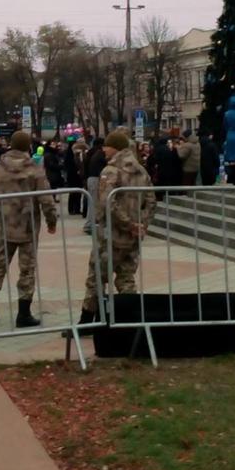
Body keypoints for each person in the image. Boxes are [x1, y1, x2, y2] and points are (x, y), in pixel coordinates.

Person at [0, 131, 57, 327]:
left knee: (0, 264)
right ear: (27, 147)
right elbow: (45, 198)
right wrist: (51, 220)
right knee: (27, 269)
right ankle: (23, 313)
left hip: (5, 226)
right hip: (28, 226)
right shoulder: (34, 169)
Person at [78, 130, 154, 325]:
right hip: (132, 237)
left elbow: (107, 203)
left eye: (107, 146)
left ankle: (87, 321)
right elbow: (151, 200)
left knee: (96, 277)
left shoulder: (110, 170)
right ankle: (130, 320)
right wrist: (140, 225)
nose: (103, 149)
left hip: (111, 235)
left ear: (116, 148)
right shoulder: (141, 170)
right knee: (126, 278)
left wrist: (128, 224)